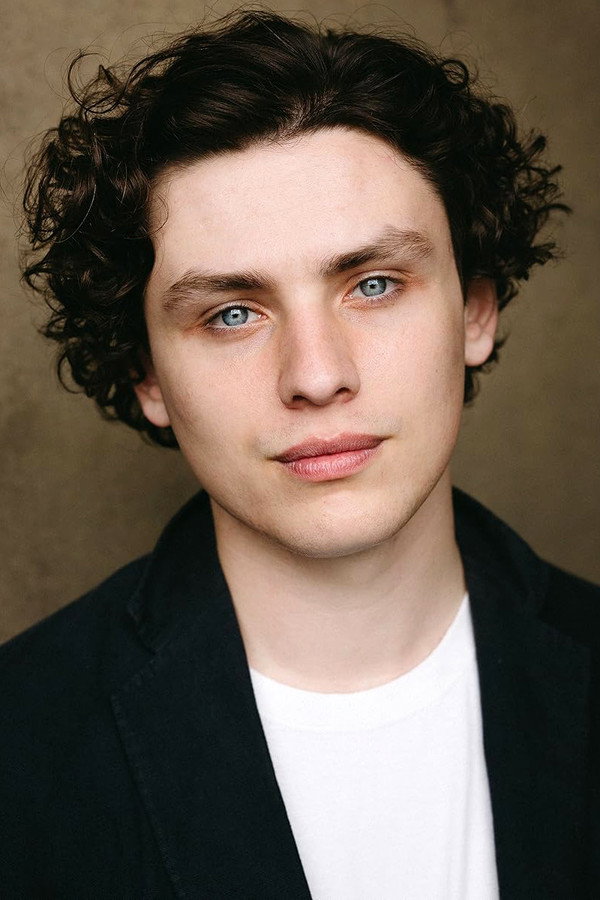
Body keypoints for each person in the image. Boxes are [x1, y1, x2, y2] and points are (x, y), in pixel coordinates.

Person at [1, 8, 598, 898]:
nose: (317, 376)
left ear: (475, 312)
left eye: (374, 284)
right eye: (232, 313)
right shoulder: (20, 748)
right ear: (147, 374)